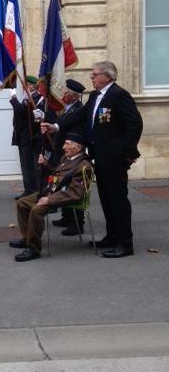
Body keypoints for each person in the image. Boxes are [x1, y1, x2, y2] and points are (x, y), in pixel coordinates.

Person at [41, 61, 143, 259]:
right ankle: (112, 237)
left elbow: (135, 125)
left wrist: (127, 154)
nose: (92, 77)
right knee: (106, 199)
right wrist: (56, 126)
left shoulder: (119, 95)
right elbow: (79, 115)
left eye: (95, 74)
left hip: (115, 159)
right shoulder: (95, 96)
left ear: (108, 76)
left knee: (118, 200)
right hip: (100, 157)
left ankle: (125, 243)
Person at [9, 133, 93, 262]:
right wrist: (46, 164)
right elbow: (58, 174)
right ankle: (27, 238)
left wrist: (49, 199)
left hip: (62, 196)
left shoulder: (84, 166)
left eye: (67, 144)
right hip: (51, 191)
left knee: (36, 210)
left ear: (77, 148)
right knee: (22, 202)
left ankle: (33, 248)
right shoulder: (66, 158)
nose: (64, 146)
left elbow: (75, 194)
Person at [49, 78, 86, 236]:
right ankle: (66, 216)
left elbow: (66, 124)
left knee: (73, 186)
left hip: (72, 153)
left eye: (67, 93)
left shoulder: (78, 109)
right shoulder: (67, 107)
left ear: (74, 96)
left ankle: (77, 223)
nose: (63, 94)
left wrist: (56, 127)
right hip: (62, 152)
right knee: (62, 183)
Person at [9, 76, 45, 199]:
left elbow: (20, 111)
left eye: (27, 84)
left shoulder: (34, 98)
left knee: (30, 166)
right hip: (22, 135)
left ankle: (32, 191)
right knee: (25, 165)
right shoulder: (26, 98)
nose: (24, 87)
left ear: (32, 86)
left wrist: (13, 98)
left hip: (29, 137)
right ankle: (28, 190)